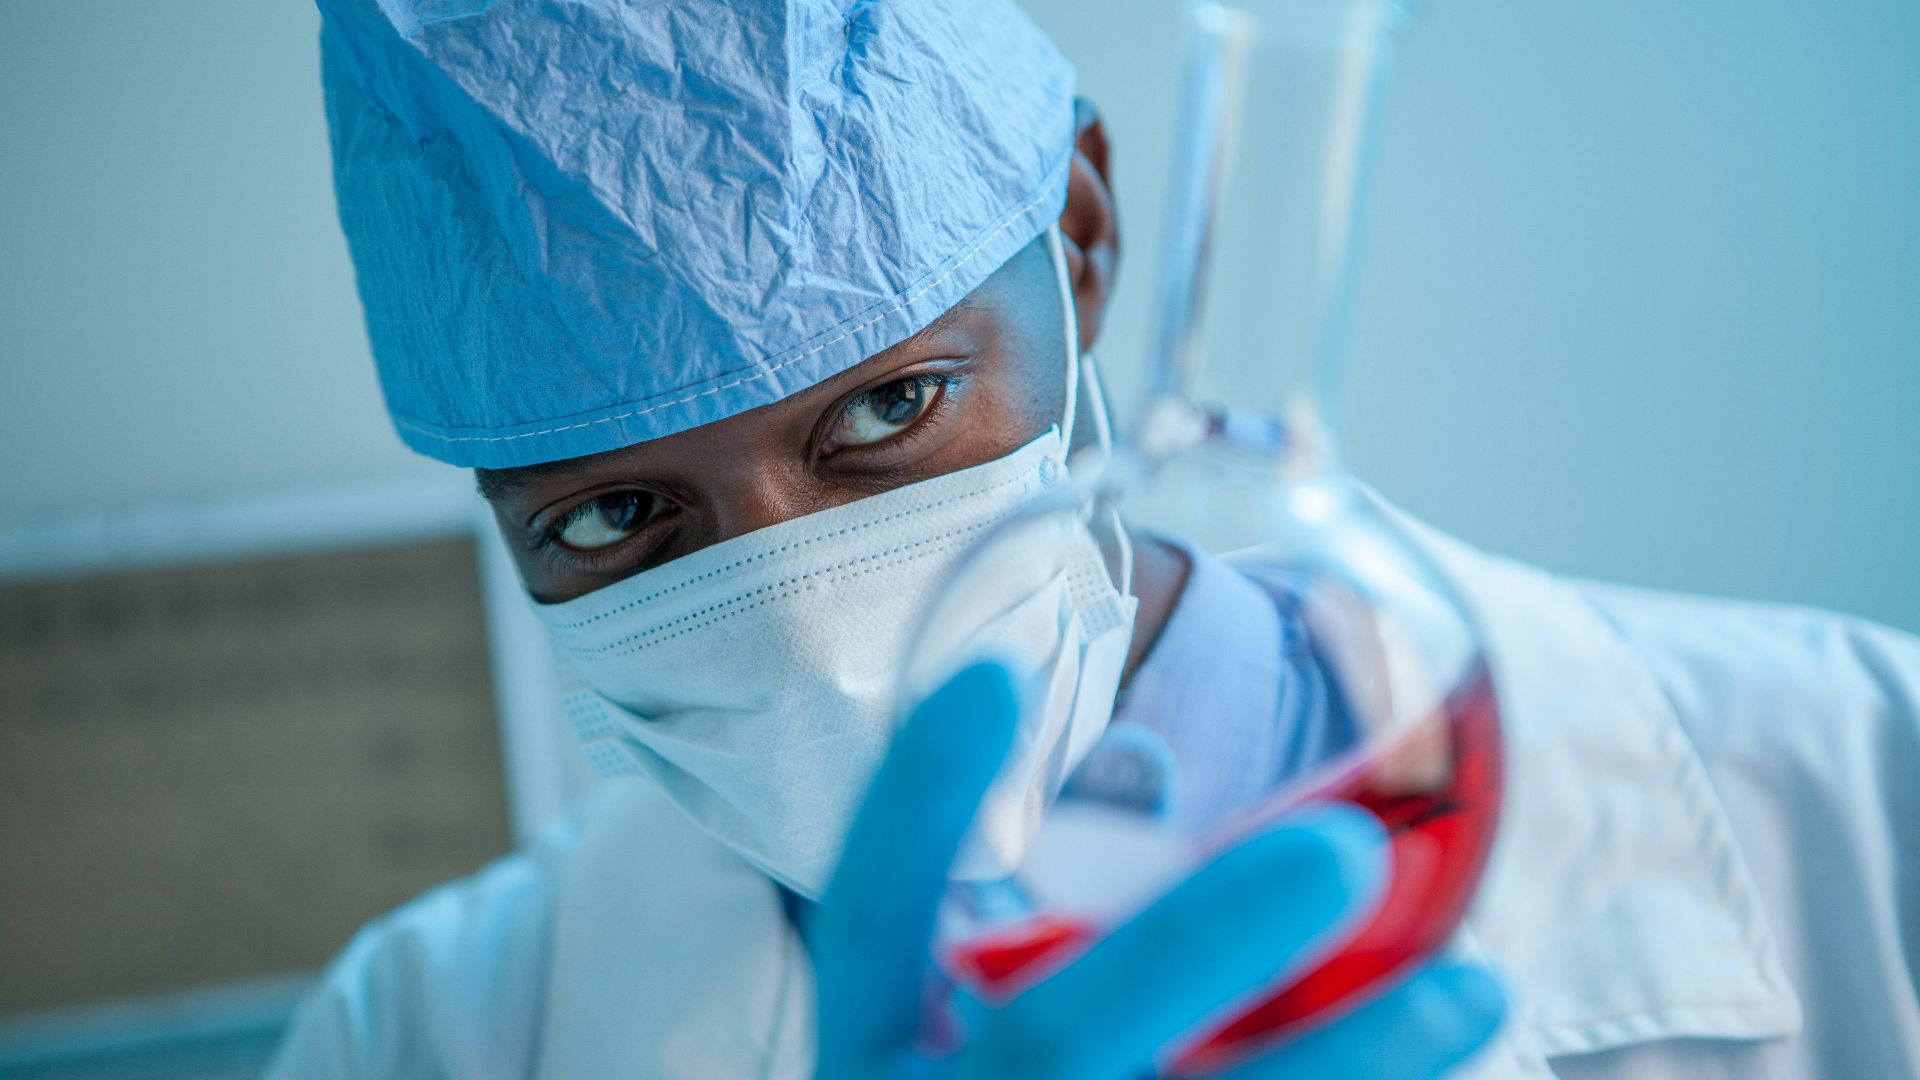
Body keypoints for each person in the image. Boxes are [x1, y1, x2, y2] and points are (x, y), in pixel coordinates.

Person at [273, 0, 1920, 1076]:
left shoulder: (1869, 788)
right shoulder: (425, 1035)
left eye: (890, 409)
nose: (813, 649)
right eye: (616, 515)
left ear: (1080, 245)